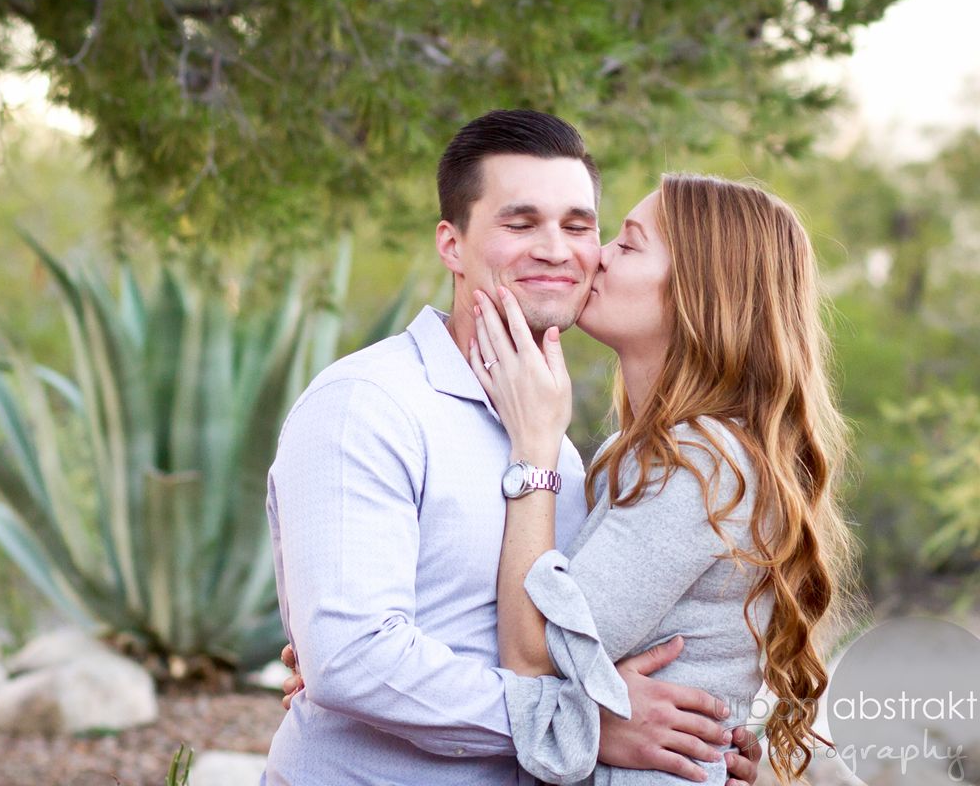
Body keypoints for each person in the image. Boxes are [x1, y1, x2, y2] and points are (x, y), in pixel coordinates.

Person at [264, 111, 761, 785]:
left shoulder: (559, 450)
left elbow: (619, 638)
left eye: (580, 225)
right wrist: (579, 722)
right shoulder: (368, 404)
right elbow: (353, 659)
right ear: (452, 245)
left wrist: (720, 741)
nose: (557, 250)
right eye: (520, 223)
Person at [466, 175, 856, 783]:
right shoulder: (655, 453)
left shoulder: (703, 463)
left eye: (629, 243)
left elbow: (534, 656)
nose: (597, 255)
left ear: (697, 293)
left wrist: (535, 448)